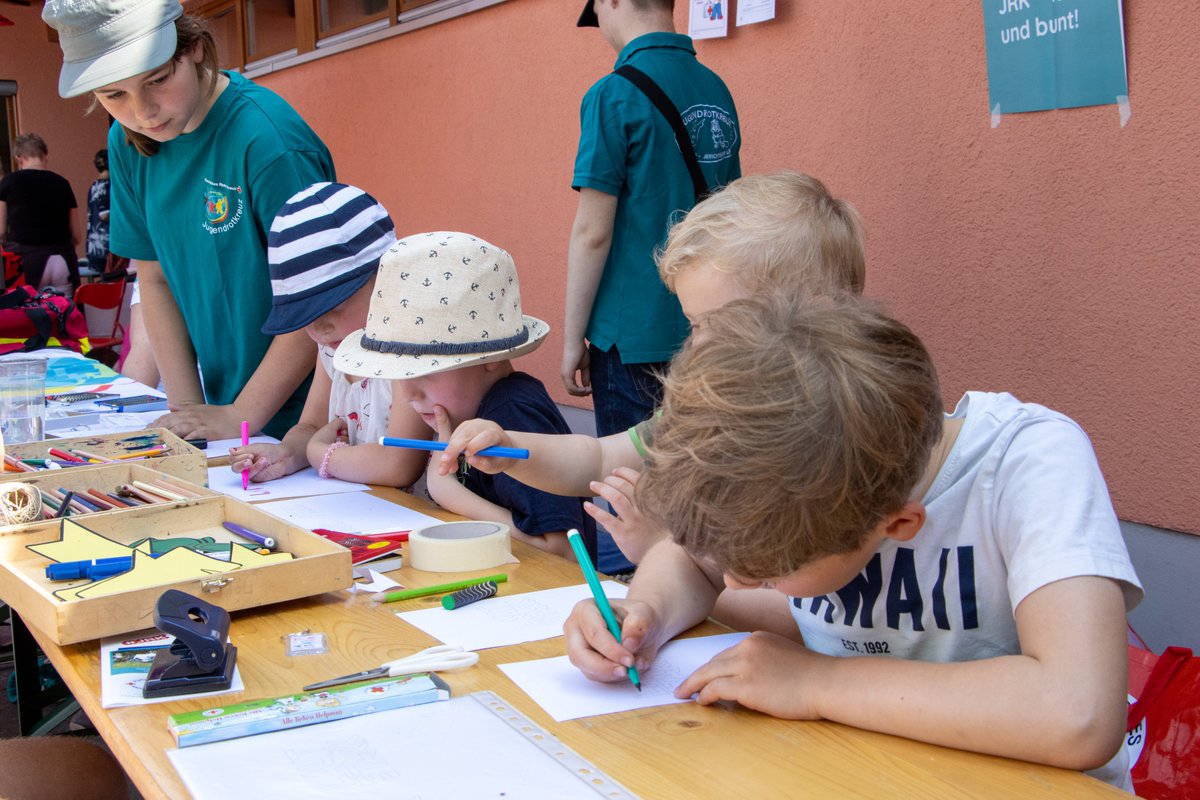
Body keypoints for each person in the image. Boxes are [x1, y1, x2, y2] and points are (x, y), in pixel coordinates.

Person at [564, 293, 1143, 789]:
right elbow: (695, 564)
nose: (737, 584)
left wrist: (818, 682)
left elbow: (1079, 713)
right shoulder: (793, 476)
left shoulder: (1030, 464)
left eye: (769, 572)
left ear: (898, 525)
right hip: (848, 767)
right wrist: (647, 614)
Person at [443, 172, 864, 566]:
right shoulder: (706, 413)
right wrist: (510, 448)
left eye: (714, 325)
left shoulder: (841, 439)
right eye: (695, 324)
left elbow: (784, 603)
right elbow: (599, 456)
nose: (696, 345)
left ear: (812, 318)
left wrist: (659, 551)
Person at [43, 0, 336, 440]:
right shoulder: (128, 142)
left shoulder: (269, 142)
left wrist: (242, 413)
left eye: (157, 80)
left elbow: (325, 297)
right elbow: (155, 278)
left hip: (305, 428)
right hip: (222, 418)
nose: (143, 111)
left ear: (195, 48)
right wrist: (189, 410)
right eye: (114, 95)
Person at [566, 0, 742, 572]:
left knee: (628, 492)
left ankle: (627, 615)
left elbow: (593, 232)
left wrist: (572, 338)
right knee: (702, 486)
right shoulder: (714, 87)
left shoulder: (611, 94)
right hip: (708, 325)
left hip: (631, 330)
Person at [333, 231, 595, 560]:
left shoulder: (514, 414)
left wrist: (449, 492)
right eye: (401, 376)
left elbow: (563, 552)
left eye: (427, 373)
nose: (409, 393)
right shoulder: (466, 410)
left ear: (492, 358)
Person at [229, 182, 429, 487]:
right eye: (305, 315)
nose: (318, 328)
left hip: (414, 521)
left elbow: (397, 463)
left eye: (332, 306)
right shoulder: (335, 348)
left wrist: (317, 453)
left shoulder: (410, 348)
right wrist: (284, 455)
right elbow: (310, 425)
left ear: (386, 277)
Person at [0, 133, 80, 292]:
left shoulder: (9, 182)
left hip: (26, 259)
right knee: (66, 313)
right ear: (45, 156)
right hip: (62, 257)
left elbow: (0, 231)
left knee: (28, 313)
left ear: (19, 158)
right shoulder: (62, 183)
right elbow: (76, 234)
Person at [85, 149, 110, 274]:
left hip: (94, 245)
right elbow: (105, 214)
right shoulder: (107, 185)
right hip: (106, 245)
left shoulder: (94, 186)